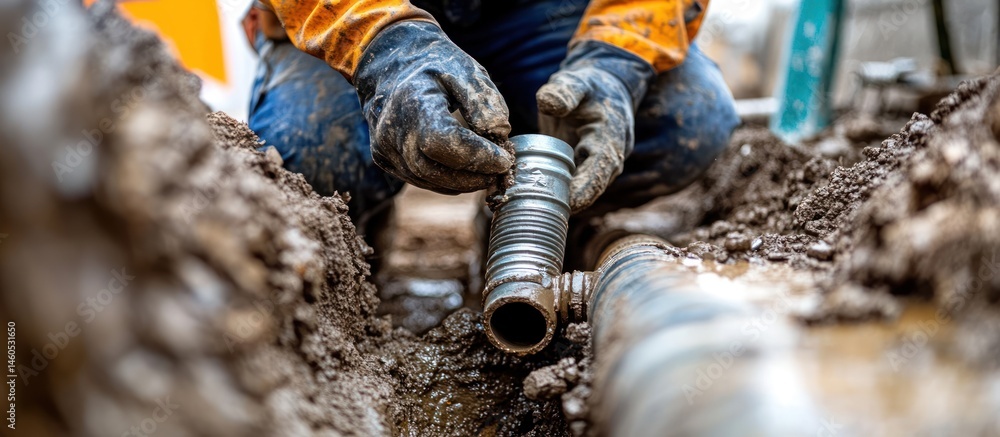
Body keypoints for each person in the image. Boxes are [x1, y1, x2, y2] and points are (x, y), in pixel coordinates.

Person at [244, 0, 739, 267]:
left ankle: (546, 216)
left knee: (688, 115)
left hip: (544, 16)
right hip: (355, 14)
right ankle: (351, 241)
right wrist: (383, 45)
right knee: (305, 149)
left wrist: (613, 61)